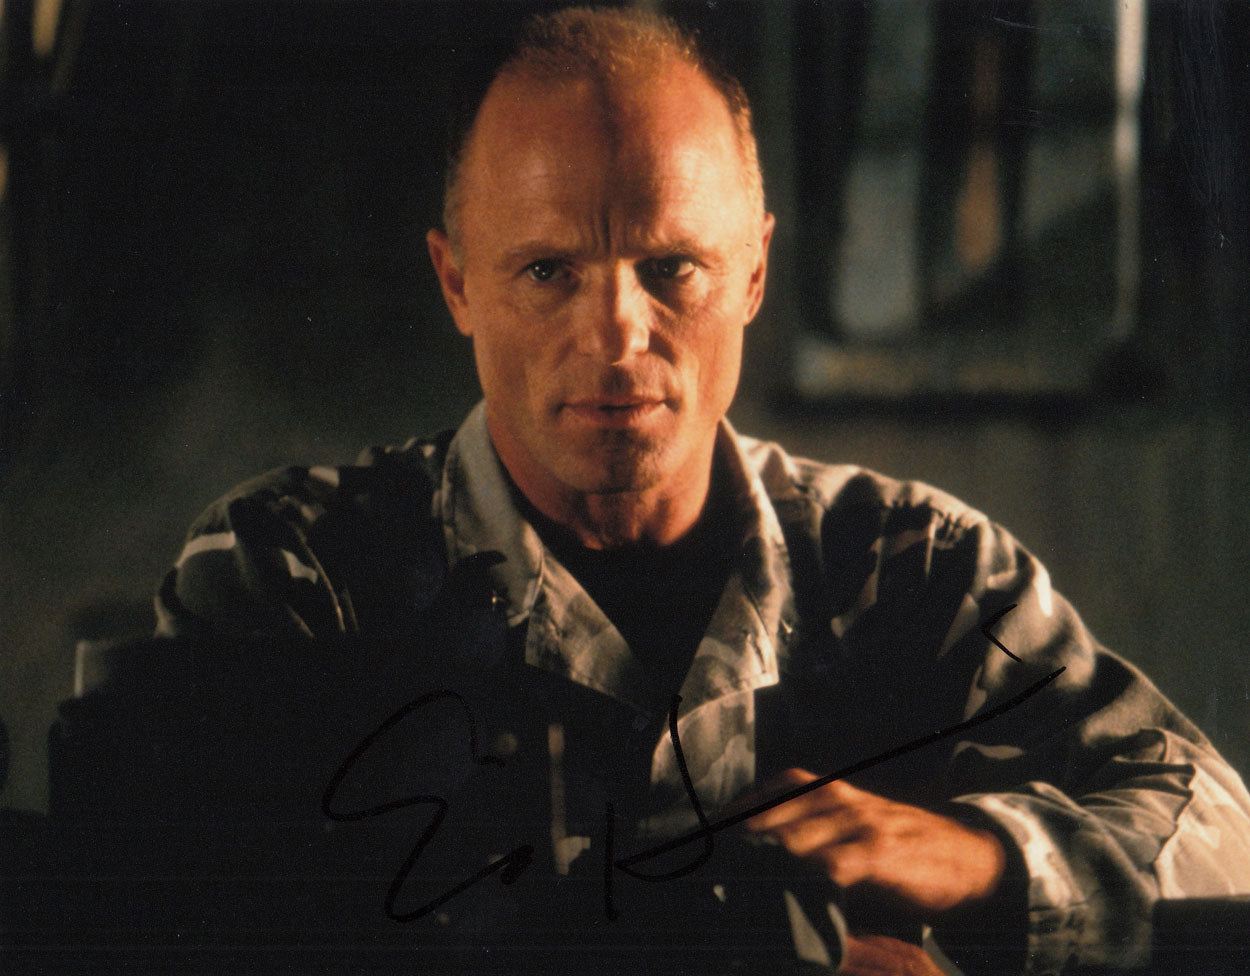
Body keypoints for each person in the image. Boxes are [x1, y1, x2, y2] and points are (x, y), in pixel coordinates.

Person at [148, 7, 1250, 974]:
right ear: (457, 282)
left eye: (670, 266)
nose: (615, 334)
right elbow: (180, 915)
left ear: (753, 271)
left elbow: (1220, 835)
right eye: (548, 271)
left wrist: (982, 861)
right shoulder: (295, 571)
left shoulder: (912, 563)